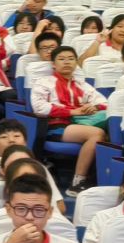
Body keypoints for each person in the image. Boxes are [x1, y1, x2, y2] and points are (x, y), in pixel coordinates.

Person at [30, 44, 108, 191]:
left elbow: (105, 103)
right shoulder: (44, 82)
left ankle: (100, 179)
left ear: (76, 63)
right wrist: (72, 112)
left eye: (71, 59)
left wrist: (95, 107)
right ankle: (77, 183)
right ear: (53, 64)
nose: (67, 62)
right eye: (62, 59)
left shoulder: (82, 85)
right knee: (97, 134)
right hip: (55, 125)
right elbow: (39, 107)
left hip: (80, 124)